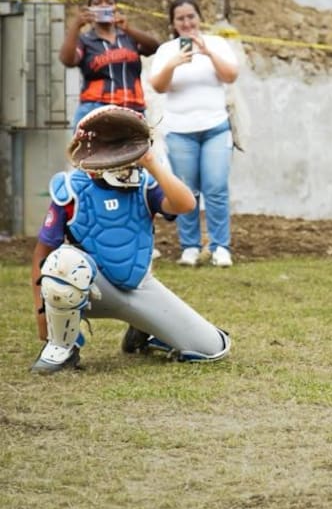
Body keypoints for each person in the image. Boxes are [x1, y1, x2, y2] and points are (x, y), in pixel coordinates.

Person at [29, 110, 230, 373]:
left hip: (137, 286)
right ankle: (62, 347)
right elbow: (42, 255)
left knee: (211, 348)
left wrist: (152, 164)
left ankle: (143, 330)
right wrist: (42, 315)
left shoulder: (144, 184)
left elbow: (186, 204)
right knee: (63, 262)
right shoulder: (71, 189)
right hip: (90, 289)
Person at [147, 0, 240, 268]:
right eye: (180, 19)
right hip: (180, 131)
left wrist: (208, 53)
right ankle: (189, 246)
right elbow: (159, 86)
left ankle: (220, 246)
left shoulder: (217, 44)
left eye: (191, 17)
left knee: (216, 186)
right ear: (173, 24)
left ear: (199, 18)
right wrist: (174, 63)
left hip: (215, 128)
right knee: (186, 191)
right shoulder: (167, 50)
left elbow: (231, 75)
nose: (187, 23)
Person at [60, 0, 160, 126]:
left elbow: (154, 47)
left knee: (136, 149)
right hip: (96, 109)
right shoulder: (85, 40)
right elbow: (67, 60)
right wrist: (76, 26)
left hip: (132, 109)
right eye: (97, 3)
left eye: (109, 2)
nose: (104, 6)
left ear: (115, 8)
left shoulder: (128, 38)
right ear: (90, 10)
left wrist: (128, 28)